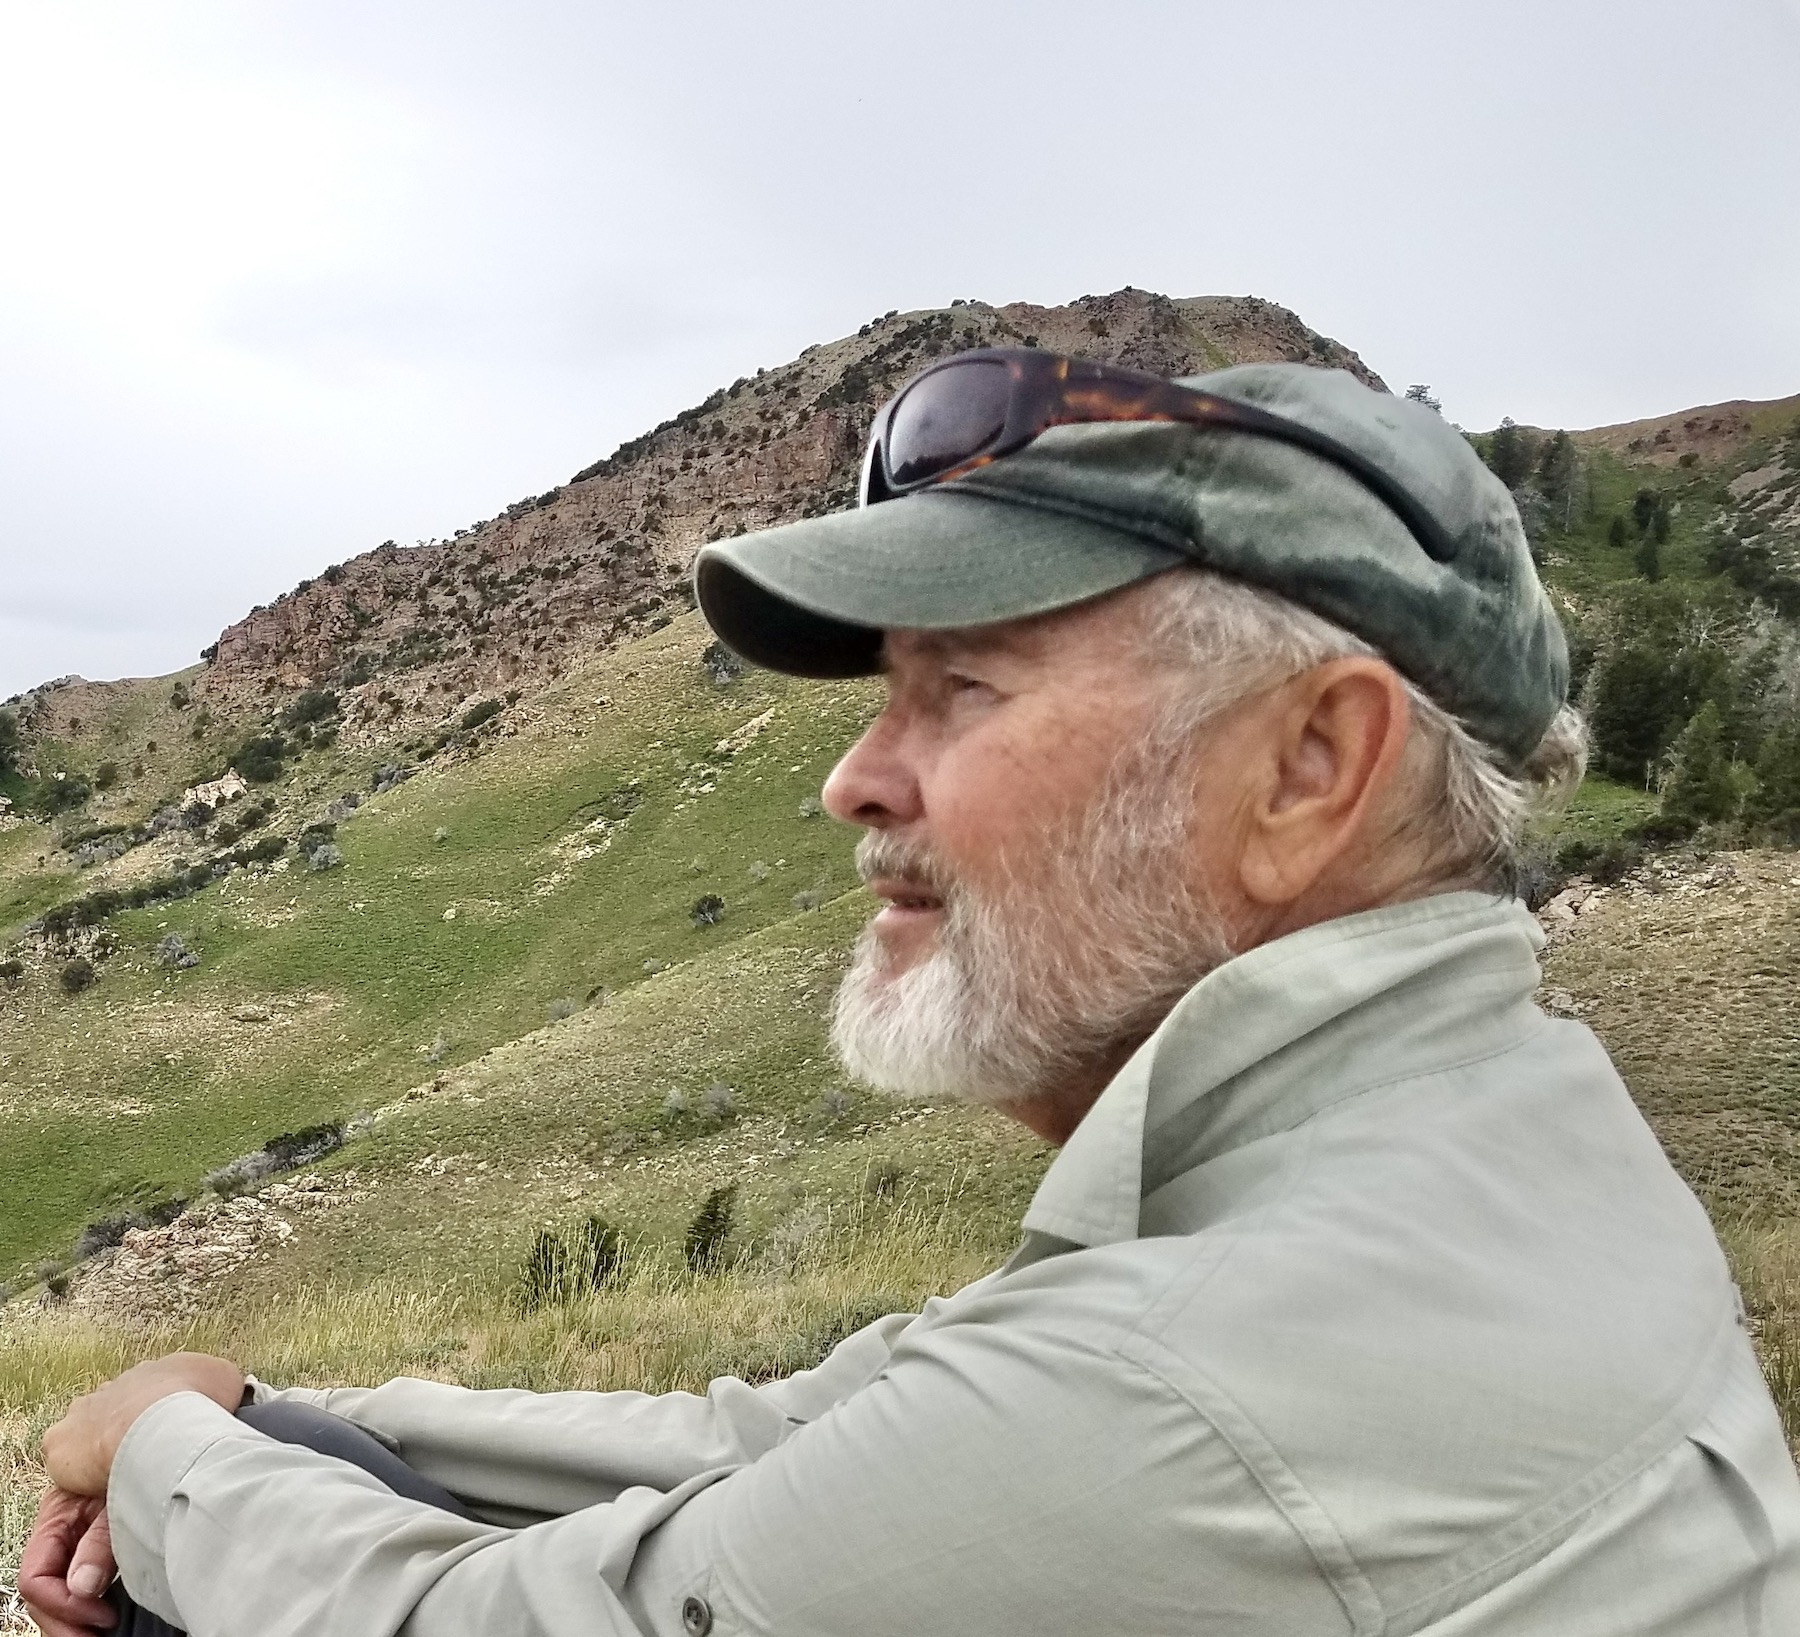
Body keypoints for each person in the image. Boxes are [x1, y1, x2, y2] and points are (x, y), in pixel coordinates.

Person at [26, 350, 1800, 1636]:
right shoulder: (1481, 1150)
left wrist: (168, 1449)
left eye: (961, 690)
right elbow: (795, 1440)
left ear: (1307, 770)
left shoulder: (1191, 1383)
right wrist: (282, 1416)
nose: (857, 778)